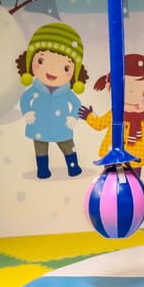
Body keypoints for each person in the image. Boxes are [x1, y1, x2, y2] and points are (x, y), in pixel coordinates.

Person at [78, 54, 144, 178]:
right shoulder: (114, 115)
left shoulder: (141, 123)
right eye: (124, 88)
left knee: (134, 184)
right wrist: (88, 116)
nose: (132, 96)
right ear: (109, 87)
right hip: (112, 157)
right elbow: (99, 124)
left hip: (135, 160)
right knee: (110, 182)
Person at [15, 22, 87, 178]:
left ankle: (73, 167)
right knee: (40, 147)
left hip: (61, 124)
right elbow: (24, 99)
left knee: (67, 145)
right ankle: (42, 170)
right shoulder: (35, 89)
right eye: (41, 61)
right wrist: (27, 112)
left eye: (66, 68)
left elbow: (76, 104)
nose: (53, 70)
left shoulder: (66, 92)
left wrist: (73, 117)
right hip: (39, 124)